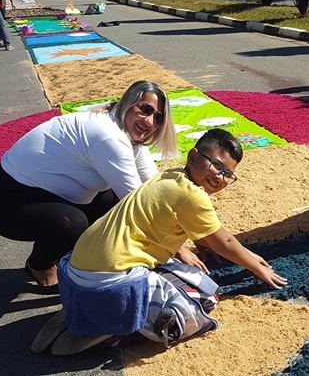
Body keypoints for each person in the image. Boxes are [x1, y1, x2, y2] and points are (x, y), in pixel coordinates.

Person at [32, 128, 288, 356]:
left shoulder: (171, 176)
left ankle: (80, 315)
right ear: (193, 156)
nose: (220, 177)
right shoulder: (192, 196)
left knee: (177, 270)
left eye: (228, 174)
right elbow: (224, 242)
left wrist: (192, 246)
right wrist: (257, 266)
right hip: (108, 284)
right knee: (205, 297)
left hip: (76, 271)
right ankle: (111, 329)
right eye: (216, 165)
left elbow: (186, 225)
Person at [0, 81, 179, 290]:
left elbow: (155, 188)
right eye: (145, 109)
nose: (150, 121)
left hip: (44, 192)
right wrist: (176, 251)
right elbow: (138, 203)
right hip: (2, 200)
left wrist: (193, 227)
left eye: (159, 117)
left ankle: (76, 255)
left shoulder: (128, 134)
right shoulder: (109, 136)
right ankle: (40, 265)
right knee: (71, 224)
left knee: (111, 204)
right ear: (128, 102)